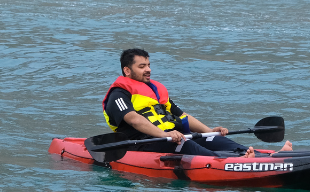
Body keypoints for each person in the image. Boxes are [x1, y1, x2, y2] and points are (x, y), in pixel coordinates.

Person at [102, 48, 292, 158]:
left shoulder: (156, 90)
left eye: (149, 65)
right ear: (127, 71)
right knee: (190, 147)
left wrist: (209, 131)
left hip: (173, 136)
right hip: (145, 142)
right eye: (142, 66)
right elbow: (134, 120)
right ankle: (242, 162)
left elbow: (183, 116)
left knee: (215, 140)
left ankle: (266, 157)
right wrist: (165, 134)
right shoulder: (118, 94)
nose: (148, 70)